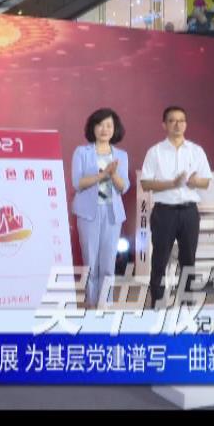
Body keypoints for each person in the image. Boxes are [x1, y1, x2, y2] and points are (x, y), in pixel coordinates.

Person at [141, 106, 212, 309]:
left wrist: (195, 182)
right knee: (160, 259)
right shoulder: (155, 152)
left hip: (189, 212)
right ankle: (157, 302)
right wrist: (171, 184)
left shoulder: (196, 151)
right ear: (164, 125)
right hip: (164, 211)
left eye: (181, 120)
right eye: (172, 120)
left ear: (186, 124)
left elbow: (206, 181)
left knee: (188, 259)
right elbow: (145, 183)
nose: (177, 124)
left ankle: (186, 301)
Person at [71, 108, 130, 307]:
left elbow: (123, 187)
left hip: (112, 214)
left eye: (109, 125)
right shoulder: (82, 152)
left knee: (108, 262)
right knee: (91, 261)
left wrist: (113, 174)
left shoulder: (121, 155)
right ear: (93, 128)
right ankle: (91, 301)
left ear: (115, 129)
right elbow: (78, 183)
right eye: (100, 125)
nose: (104, 129)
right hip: (88, 213)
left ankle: (105, 304)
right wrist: (102, 174)